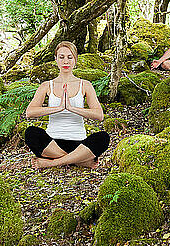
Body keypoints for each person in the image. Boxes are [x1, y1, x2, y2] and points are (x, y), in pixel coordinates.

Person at [24, 41, 109, 169]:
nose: (66, 61)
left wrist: (72, 108)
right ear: (56, 59)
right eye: (61, 57)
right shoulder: (47, 85)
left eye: (70, 57)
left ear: (75, 60)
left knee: (103, 137)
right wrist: (57, 108)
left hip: (79, 144)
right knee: (31, 133)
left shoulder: (85, 85)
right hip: (52, 144)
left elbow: (99, 115)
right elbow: (29, 112)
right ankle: (79, 161)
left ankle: (53, 162)